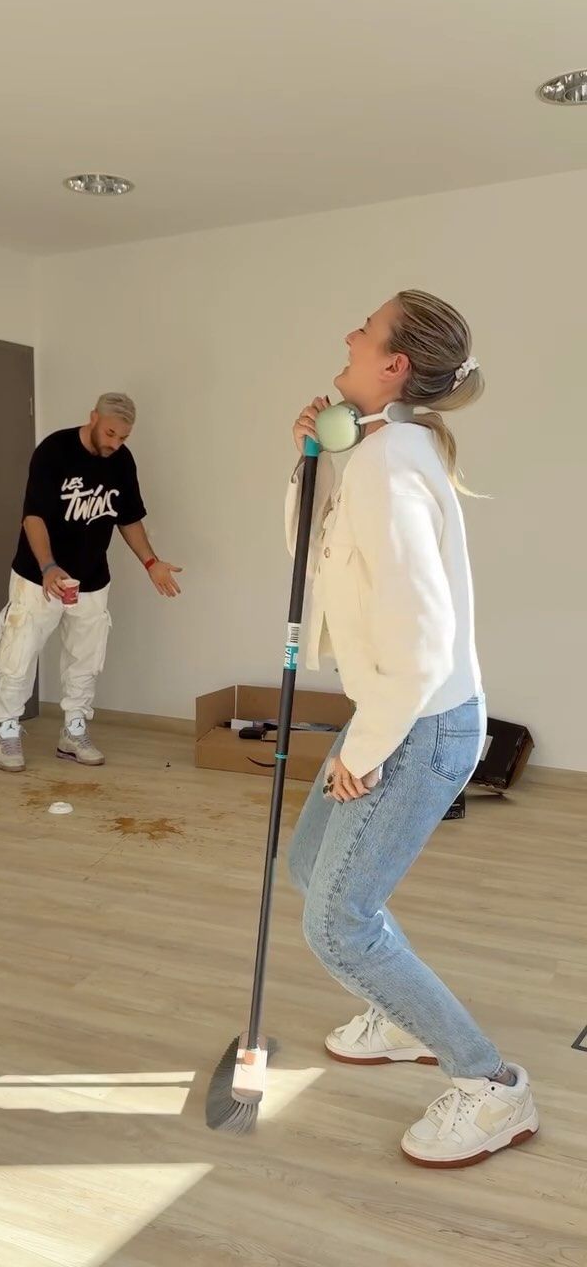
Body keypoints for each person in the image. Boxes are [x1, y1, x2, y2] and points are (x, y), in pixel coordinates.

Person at [286, 290, 538, 1168]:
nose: (349, 332)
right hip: (399, 710)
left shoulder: (393, 464)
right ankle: (398, 1021)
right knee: (310, 867)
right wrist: (317, 453)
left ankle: (490, 1083)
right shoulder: (388, 445)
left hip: (417, 724)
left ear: (394, 364)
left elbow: (424, 645)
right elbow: (320, 556)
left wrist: (363, 754)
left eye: (365, 327)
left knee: (339, 922)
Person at [0, 393, 182, 772]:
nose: (114, 443)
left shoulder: (121, 462)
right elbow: (33, 517)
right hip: (38, 577)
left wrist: (151, 562)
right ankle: (8, 729)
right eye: (110, 433)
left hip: (92, 578)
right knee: (19, 653)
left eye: (123, 438)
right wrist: (47, 566)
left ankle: (73, 732)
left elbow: (127, 517)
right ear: (93, 418)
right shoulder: (54, 451)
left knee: (86, 658)